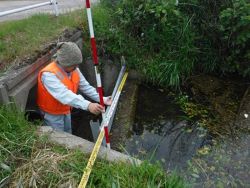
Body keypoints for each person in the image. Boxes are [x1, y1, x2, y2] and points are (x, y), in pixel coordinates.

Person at [37, 41, 111, 133]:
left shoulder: (74, 69)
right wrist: (88, 105)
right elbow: (64, 95)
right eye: (73, 65)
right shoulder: (48, 75)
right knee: (58, 139)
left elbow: (85, 87)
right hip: (52, 115)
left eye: (77, 65)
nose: (76, 67)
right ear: (64, 63)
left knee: (68, 134)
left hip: (66, 109)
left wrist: (102, 99)